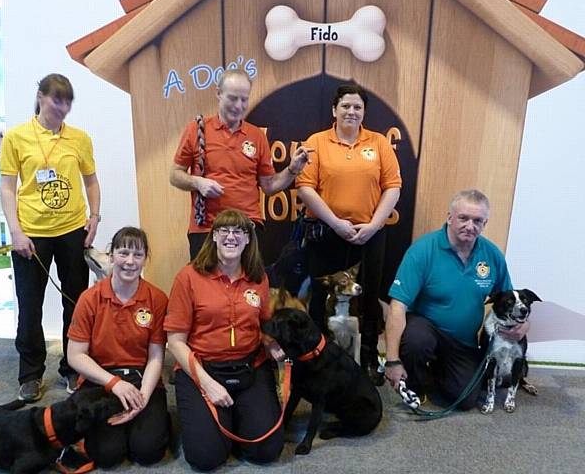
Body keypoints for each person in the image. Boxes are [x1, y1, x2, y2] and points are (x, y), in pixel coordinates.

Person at [0, 73, 101, 401]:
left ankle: (73, 369)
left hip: (73, 232)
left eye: (68, 101)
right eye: (57, 99)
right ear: (41, 97)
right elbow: (7, 188)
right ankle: (30, 374)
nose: (63, 107)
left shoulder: (80, 139)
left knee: (76, 304)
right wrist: (16, 231)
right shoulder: (16, 137)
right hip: (31, 236)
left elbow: (91, 181)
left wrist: (94, 217)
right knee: (30, 307)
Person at [384, 189, 528, 410]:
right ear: (450, 217)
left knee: (467, 399)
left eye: (477, 220)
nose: (470, 226)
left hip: (463, 341)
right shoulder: (423, 250)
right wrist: (392, 360)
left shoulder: (492, 255)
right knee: (416, 341)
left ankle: (438, 370)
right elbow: (397, 307)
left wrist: (523, 325)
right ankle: (416, 383)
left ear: (485, 223)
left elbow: (511, 300)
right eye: (463, 218)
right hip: (426, 329)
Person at [296, 84, 402, 383]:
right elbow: (305, 187)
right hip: (327, 233)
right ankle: (318, 358)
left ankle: (368, 357)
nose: (351, 112)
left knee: (368, 297)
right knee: (320, 297)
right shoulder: (317, 142)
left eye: (357, 107)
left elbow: (393, 186)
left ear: (363, 112)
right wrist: (335, 223)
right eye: (345, 106)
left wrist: (374, 225)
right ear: (334, 109)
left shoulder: (379, 143)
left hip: (368, 234)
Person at [165, 209, 285, 471]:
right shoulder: (188, 277)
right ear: (214, 237)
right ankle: (221, 420)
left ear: (248, 239)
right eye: (224, 230)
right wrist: (208, 384)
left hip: (250, 366)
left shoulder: (258, 277)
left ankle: (233, 417)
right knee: (206, 458)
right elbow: (174, 342)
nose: (231, 237)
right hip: (202, 369)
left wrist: (271, 343)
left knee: (266, 451)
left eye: (239, 231)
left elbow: (263, 323)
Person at [169, 68, 311, 259]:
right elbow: (175, 175)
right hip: (206, 228)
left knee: (247, 288)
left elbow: (269, 186)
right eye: (233, 98)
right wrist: (198, 183)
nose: (239, 105)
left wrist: (293, 169)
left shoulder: (257, 136)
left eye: (244, 99)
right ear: (218, 94)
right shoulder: (196, 130)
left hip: (247, 228)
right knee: (205, 287)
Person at [67, 227, 170, 468]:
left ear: (146, 259)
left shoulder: (157, 299)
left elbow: (156, 356)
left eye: (138, 255)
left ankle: (155, 418)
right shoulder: (89, 299)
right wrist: (114, 384)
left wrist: (143, 397)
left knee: (147, 452)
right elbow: (75, 355)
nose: (130, 262)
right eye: (123, 253)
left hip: (142, 380)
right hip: (101, 381)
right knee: (108, 456)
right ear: (111, 255)